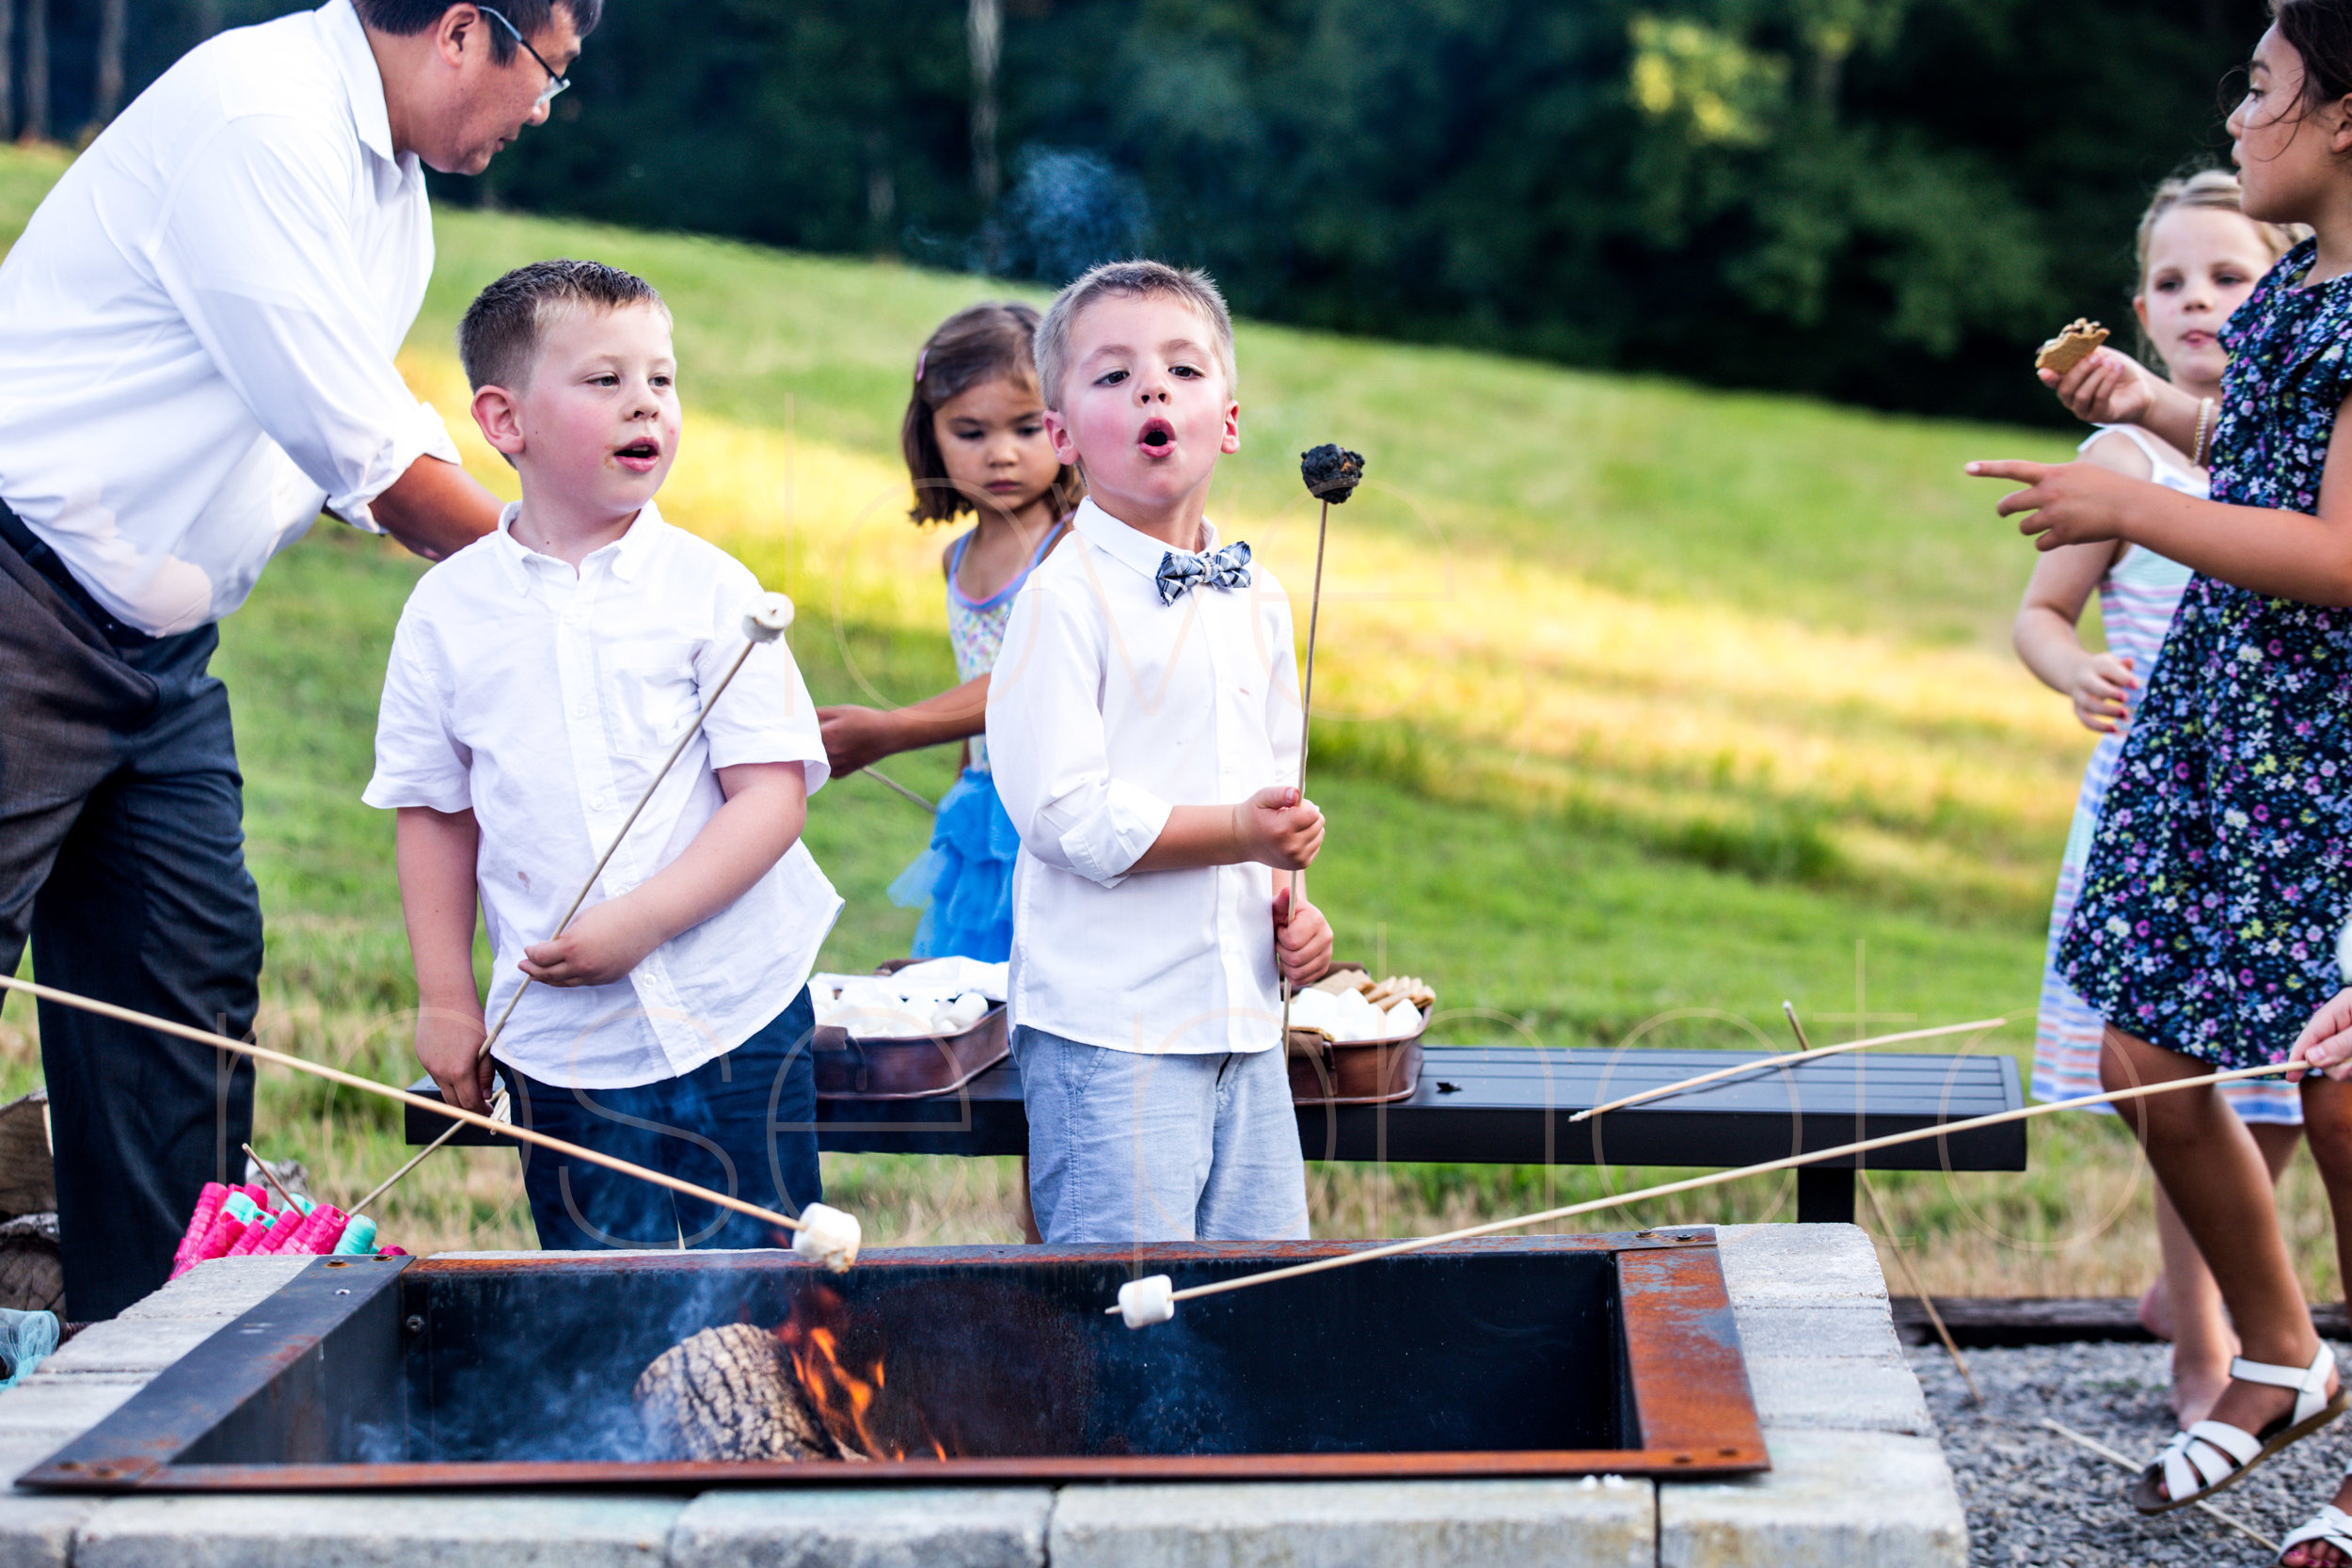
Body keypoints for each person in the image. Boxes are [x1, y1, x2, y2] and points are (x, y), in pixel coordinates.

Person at [0, 0, 591, 1319]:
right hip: (18, 602)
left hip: (154, 657)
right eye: (549, 73)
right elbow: (376, 464)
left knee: (183, 986)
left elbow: (359, 422)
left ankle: (151, 1367)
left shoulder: (388, 190)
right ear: (460, 31)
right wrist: (585, 577)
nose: (544, 109)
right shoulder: (260, 123)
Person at [1969, 4, 2352, 1539]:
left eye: (2260, 88)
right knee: (2146, 1055)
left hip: (2313, 759)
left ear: (2343, 121)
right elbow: (2263, 455)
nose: (2237, 115)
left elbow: (2334, 550)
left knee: (2335, 1087)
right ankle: (2280, 1354)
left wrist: (2123, 502)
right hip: (2210, 742)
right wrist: (2151, 411)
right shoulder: (2297, 301)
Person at [365, 260, 838, 1251]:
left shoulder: (713, 589)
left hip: (736, 1004)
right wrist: (448, 998)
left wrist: (638, 923)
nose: (646, 404)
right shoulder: (447, 613)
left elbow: (770, 800)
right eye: (605, 380)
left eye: (661, 380)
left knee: (767, 1285)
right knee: (596, 1307)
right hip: (565, 1041)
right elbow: (435, 813)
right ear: (504, 422)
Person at [2011, 167, 2307, 1428]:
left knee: (2275, 1100)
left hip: (2283, 820)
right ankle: (2202, 1342)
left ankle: (2220, 1296)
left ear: (2287, 286)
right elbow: (2040, 610)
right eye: (2173, 282)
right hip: (2156, 815)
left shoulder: (2303, 448)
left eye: (2229, 277)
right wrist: (2077, 670)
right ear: (2137, 310)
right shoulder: (2125, 452)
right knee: (2171, 1082)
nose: (2199, 302)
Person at [985, 260, 1334, 1243]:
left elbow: (1270, 794)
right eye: (1111, 375)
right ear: (1060, 436)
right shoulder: (1061, 600)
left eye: (1183, 369)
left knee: (1257, 1302)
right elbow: (1065, 815)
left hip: (1242, 1023)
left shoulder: (1259, 597)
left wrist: (1294, 911)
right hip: (1113, 1034)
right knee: (1124, 1312)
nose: (1152, 388)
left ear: (1227, 418)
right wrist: (1234, 829)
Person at [818, 303, 1083, 963]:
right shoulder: (956, 559)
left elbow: (1026, 677)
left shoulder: (1073, 545)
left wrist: (891, 729)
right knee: (974, 987)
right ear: (930, 436)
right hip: (986, 812)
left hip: (1058, 804)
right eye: (970, 431)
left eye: (1027, 428)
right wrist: (963, 784)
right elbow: (976, 696)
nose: (1002, 453)